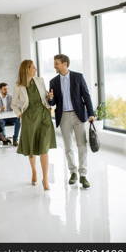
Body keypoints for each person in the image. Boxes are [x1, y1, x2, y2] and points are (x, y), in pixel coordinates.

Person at [49, 54, 95, 188]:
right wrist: (50, 98)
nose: (54, 66)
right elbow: (52, 103)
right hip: (63, 116)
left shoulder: (78, 77)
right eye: (54, 63)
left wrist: (91, 113)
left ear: (64, 64)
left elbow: (86, 96)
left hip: (78, 115)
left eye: (56, 63)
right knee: (68, 147)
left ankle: (83, 175)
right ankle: (73, 172)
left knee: (82, 145)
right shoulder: (53, 81)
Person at [11, 60, 57, 190]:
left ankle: (46, 179)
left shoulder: (40, 80)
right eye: (33, 67)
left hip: (44, 116)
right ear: (27, 69)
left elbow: (46, 98)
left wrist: (49, 96)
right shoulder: (18, 86)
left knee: (44, 148)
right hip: (29, 118)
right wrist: (20, 114)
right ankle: (34, 171)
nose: (35, 69)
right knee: (32, 148)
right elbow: (13, 104)